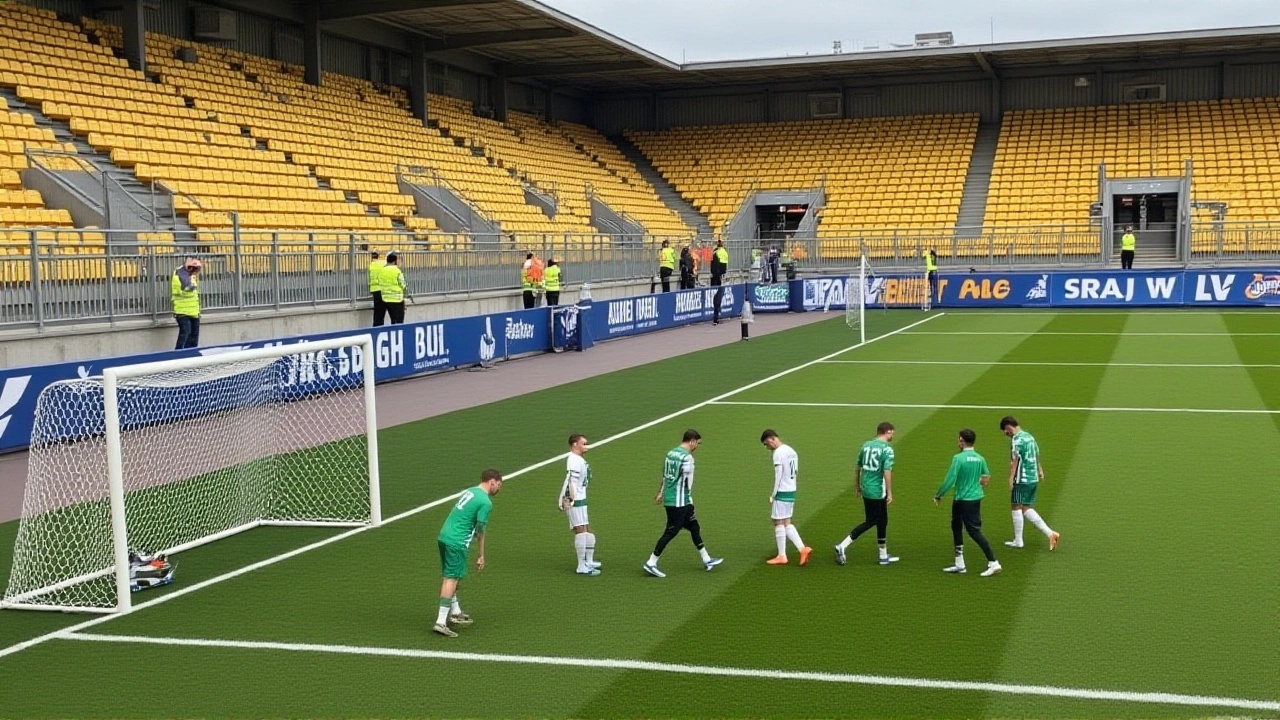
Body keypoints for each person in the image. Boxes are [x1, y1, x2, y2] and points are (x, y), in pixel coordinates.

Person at [643, 429, 723, 577]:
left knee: (693, 526)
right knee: (671, 531)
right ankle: (651, 562)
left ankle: (707, 559)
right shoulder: (687, 458)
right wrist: (689, 499)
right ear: (692, 441)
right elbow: (687, 481)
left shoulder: (670, 453)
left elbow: (666, 475)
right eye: (697, 443)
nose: (697, 447)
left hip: (671, 498)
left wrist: (661, 492)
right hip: (680, 501)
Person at [433, 468, 503, 637]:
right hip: (457, 541)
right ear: (492, 482)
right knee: (451, 578)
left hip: (444, 536)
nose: (498, 489)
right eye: (498, 485)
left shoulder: (470, 491)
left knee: (451, 576)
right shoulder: (485, 502)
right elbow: (480, 530)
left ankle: (455, 611)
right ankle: (441, 622)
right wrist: (481, 555)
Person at [934, 429, 1001, 577]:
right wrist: (975, 485)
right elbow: (986, 478)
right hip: (974, 498)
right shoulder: (980, 458)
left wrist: (939, 494)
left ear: (962, 441)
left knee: (974, 531)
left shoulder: (958, 458)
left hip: (963, 499)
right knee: (956, 526)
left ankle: (993, 562)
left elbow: (950, 479)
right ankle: (959, 564)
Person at [835, 421, 900, 566]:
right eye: (892, 433)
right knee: (873, 520)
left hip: (866, 488)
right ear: (888, 432)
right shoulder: (887, 449)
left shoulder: (866, 446)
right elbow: (887, 471)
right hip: (878, 491)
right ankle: (843, 545)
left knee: (882, 520)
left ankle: (883, 555)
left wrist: (857, 486)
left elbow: (858, 468)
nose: (892, 436)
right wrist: (889, 492)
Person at [1001, 416, 1060, 550]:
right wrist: (1040, 470)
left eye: (1005, 430)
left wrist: (1010, 478)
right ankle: (1051, 534)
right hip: (1033, 478)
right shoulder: (1030, 437)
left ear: (1009, 427)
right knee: (1026, 507)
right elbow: (1036, 454)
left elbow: (1015, 461)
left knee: (1016, 506)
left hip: (1021, 479)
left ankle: (1018, 541)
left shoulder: (1017, 440)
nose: (1006, 433)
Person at [761, 429, 811, 565]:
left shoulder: (778, 453)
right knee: (786, 522)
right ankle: (802, 549)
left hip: (782, 491)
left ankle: (782, 556)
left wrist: (773, 494)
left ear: (772, 439)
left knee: (778, 522)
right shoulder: (791, 450)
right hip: (791, 489)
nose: (768, 447)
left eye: (767, 444)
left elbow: (778, 475)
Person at [559, 434, 601, 576]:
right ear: (575, 444)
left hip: (581, 499)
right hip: (576, 501)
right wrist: (572, 499)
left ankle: (589, 561)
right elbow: (572, 481)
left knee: (587, 530)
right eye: (583, 443)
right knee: (581, 531)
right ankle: (581, 566)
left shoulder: (578, 459)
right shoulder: (574, 460)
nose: (586, 446)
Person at [171, 257, 201, 349]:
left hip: (193, 311)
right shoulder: (180, 273)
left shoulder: (191, 275)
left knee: (194, 336)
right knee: (185, 333)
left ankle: (191, 354)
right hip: (182, 311)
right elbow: (179, 291)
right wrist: (188, 289)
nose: (196, 271)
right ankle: (179, 354)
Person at [380, 252, 408, 324]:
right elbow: (403, 284)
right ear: (395, 261)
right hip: (397, 299)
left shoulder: (382, 270)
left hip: (386, 299)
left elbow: (380, 282)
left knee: (393, 319)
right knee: (399, 321)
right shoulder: (397, 271)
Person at [710, 239, 729, 325]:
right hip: (723, 274)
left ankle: (716, 318)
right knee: (719, 298)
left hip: (717, 276)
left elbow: (714, 264)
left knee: (716, 299)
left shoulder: (716, 252)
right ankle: (716, 318)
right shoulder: (725, 251)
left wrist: (713, 273)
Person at [369, 251, 387, 327]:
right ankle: (380, 326)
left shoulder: (371, 265)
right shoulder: (382, 263)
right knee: (382, 311)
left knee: (377, 311)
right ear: (378, 256)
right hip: (383, 289)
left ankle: (376, 326)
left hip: (375, 290)